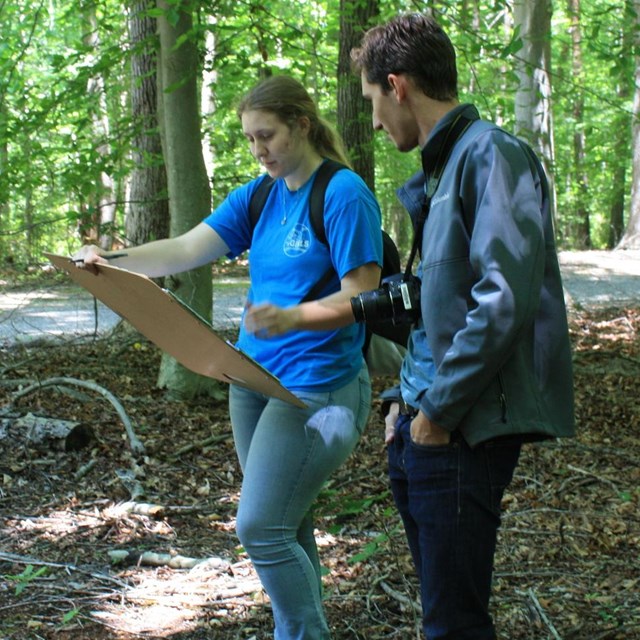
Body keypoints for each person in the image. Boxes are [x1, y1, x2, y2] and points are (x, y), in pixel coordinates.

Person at [73, 75, 383, 640]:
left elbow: (362, 292)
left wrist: (293, 317)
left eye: (267, 135)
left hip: (319, 389)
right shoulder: (260, 193)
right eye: (249, 139)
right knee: (288, 523)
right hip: (252, 382)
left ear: (302, 126)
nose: (259, 149)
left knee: (261, 527)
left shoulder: (341, 193)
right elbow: (189, 248)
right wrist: (109, 261)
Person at [351, 13, 575, 640]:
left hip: (461, 431)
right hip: (427, 424)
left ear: (396, 85)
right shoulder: (443, 168)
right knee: (443, 617)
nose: (372, 120)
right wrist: (404, 404)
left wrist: (436, 416)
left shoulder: (492, 155)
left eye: (372, 101)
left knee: (453, 625)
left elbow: (502, 300)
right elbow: (440, 307)